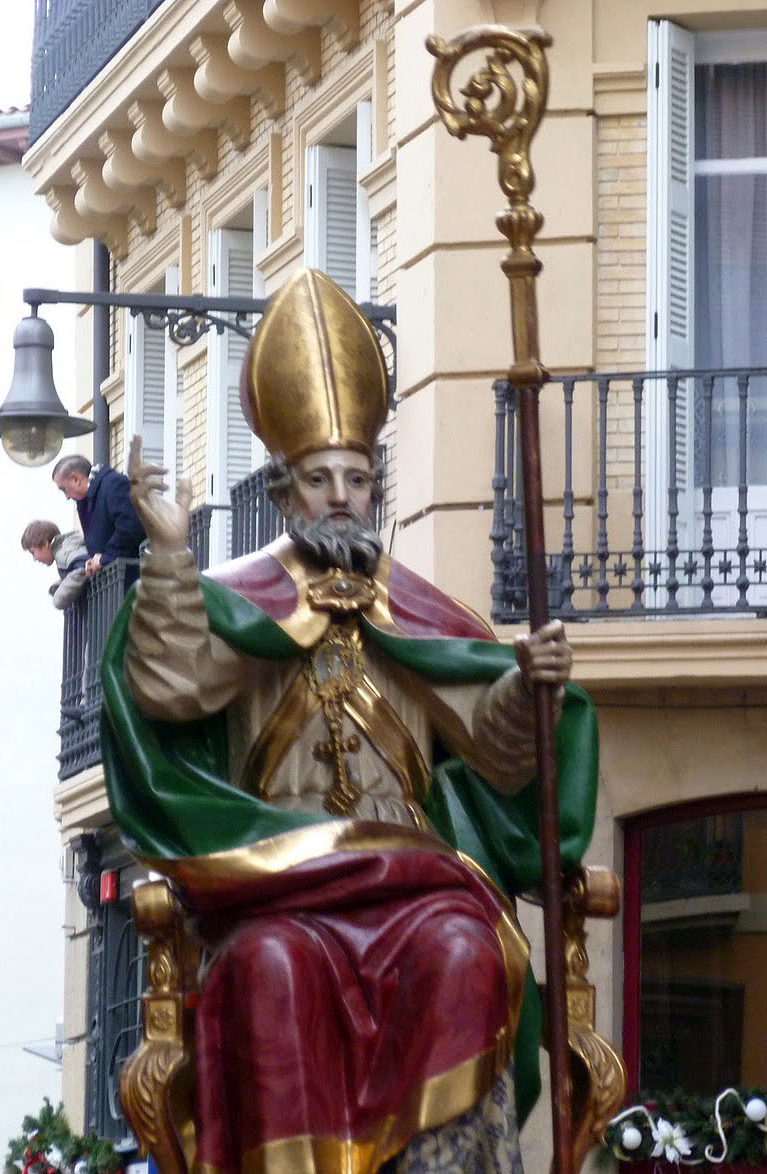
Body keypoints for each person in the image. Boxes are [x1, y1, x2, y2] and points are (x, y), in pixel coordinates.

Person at [101, 270, 599, 1174]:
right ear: (288, 495)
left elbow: (490, 748)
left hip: (412, 884)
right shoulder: (238, 602)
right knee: (270, 970)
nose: (341, 496)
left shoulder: (419, 613)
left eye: (358, 479)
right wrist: (169, 553)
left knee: (464, 952)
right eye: (321, 479)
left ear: (376, 492)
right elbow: (172, 688)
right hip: (277, 885)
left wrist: (532, 688)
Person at [51, 454, 145, 580]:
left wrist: (105, 558)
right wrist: (94, 561)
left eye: (64, 489)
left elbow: (130, 526)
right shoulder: (87, 500)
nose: (67, 497)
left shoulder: (113, 484)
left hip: (131, 581)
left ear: (75, 479)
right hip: (117, 583)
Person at [20, 519, 88, 609]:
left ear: (45, 544)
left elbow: (83, 567)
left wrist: (59, 598)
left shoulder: (64, 552)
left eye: (33, 552)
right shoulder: (63, 551)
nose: (35, 559)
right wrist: (58, 586)